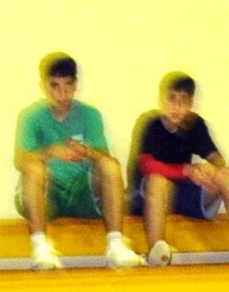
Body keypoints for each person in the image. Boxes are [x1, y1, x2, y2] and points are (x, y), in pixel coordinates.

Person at [15, 53, 144, 270]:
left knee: (110, 165)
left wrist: (86, 152)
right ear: (43, 86)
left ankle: (115, 246)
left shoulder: (90, 114)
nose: (62, 93)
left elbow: (104, 156)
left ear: (75, 85)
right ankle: (40, 248)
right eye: (54, 86)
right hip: (48, 191)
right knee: (33, 169)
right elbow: (19, 160)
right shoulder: (30, 116)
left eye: (68, 86)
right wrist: (51, 151)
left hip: (84, 189)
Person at [133, 74, 229, 266]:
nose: (176, 106)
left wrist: (210, 169)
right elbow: (146, 165)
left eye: (183, 101)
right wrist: (185, 171)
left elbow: (218, 159)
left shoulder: (195, 124)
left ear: (190, 105)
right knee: (157, 180)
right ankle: (157, 248)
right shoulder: (150, 123)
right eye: (172, 99)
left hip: (185, 193)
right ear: (160, 100)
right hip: (153, 195)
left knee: (227, 174)